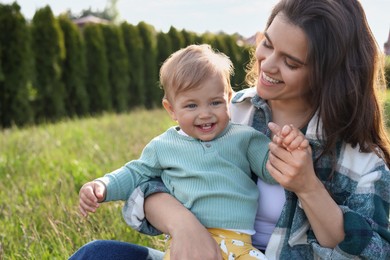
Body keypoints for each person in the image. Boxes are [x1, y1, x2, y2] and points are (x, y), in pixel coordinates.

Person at [70, 0, 390, 259]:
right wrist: (184, 226)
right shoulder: (224, 112)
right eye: (267, 43)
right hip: (202, 251)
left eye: (291, 62)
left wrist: (309, 187)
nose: (267, 64)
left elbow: (376, 251)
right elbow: (146, 182)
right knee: (97, 254)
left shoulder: (362, 160)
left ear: (327, 74)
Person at [73, 44, 308, 260]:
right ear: (171, 109)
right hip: (186, 247)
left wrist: (286, 148)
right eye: (191, 105)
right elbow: (136, 173)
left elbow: (270, 170)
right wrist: (102, 186)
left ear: (228, 98)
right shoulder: (164, 146)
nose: (205, 113)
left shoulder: (244, 137)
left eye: (215, 102)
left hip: (240, 245)